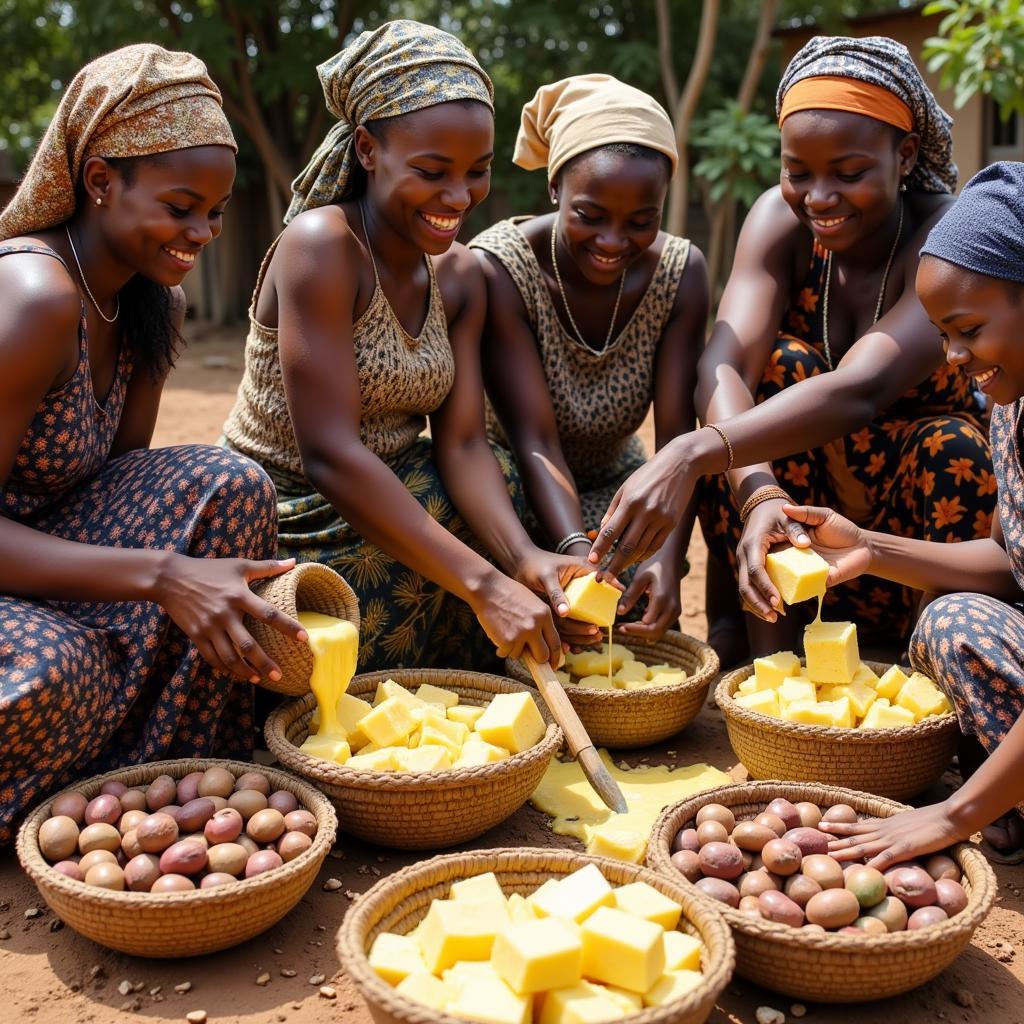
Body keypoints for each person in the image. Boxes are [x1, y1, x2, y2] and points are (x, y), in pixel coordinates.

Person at [585, 36, 994, 661]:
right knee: (773, 379)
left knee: (953, 444)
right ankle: (770, 662)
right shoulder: (782, 221)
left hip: (906, 548)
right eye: (798, 172)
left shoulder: (943, 235)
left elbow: (863, 389)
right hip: (789, 522)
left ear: (905, 155)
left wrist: (692, 452)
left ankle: (928, 665)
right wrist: (759, 494)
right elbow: (721, 365)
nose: (820, 198)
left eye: (849, 174)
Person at [0, 44, 304, 843]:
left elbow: (122, 487)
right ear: (100, 181)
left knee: (230, 485)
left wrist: (188, 572)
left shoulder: (149, 307)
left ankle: (160, 784)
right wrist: (165, 576)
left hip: (50, 563)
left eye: (215, 210)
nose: (201, 231)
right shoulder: (34, 298)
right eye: (179, 206)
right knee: (57, 674)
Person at [223, 21, 589, 674]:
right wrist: (483, 583)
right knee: (395, 591)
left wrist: (521, 561)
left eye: (476, 173)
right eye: (431, 172)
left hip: (393, 497)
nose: (458, 198)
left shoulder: (462, 276)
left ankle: (452, 681)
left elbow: (464, 443)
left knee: (501, 484)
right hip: (297, 514)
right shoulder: (323, 247)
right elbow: (330, 454)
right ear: (368, 149)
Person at [774, 163, 1024, 867]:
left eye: (968, 329)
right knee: (950, 625)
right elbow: (1008, 566)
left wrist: (955, 814)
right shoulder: (1010, 406)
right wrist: (871, 548)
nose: (952, 356)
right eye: (944, 334)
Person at [470, 74, 708, 641]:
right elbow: (535, 437)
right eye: (590, 214)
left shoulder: (680, 273)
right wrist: (576, 561)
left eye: (641, 221)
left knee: (624, 605)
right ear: (555, 186)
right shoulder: (503, 266)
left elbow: (679, 440)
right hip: (514, 488)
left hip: (613, 488)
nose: (612, 240)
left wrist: (667, 559)